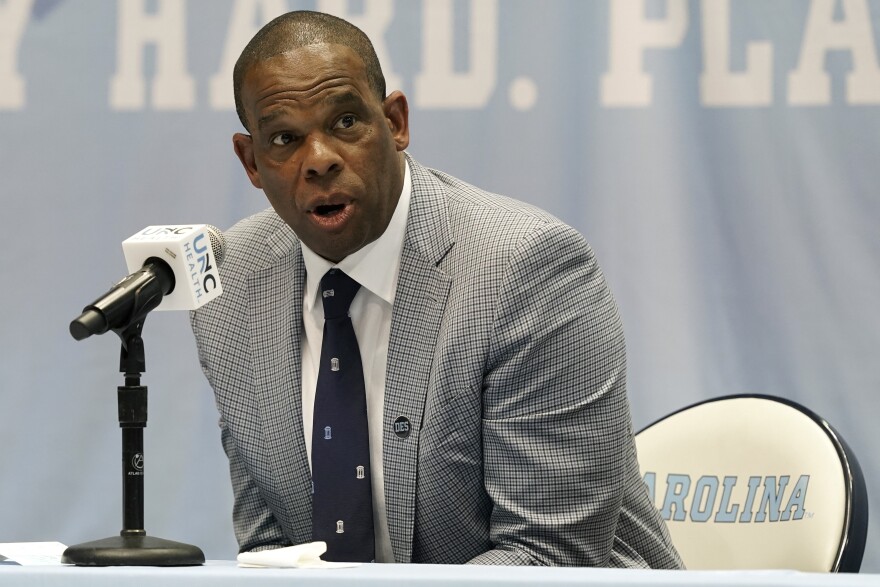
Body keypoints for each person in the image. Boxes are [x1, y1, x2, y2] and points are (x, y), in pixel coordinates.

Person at [191, 10, 682, 568]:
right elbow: (271, 549)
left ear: (395, 122)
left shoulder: (528, 270)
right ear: (252, 161)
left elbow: (551, 558)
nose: (320, 159)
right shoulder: (230, 289)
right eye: (285, 138)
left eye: (346, 122)